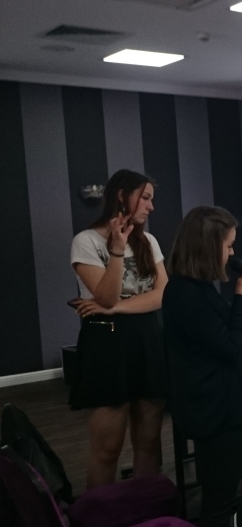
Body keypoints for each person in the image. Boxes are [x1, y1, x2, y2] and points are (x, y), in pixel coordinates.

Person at [162, 206, 242, 527]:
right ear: (207, 247)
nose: (231, 253)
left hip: (235, 410)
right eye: (227, 246)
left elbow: (223, 334)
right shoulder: (184, 293)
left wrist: (241, 298)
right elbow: (229, 347)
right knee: (220, 504)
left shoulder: (199, 289)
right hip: (217, 413)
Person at [69, 169, 167, 489]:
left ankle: (145, 508)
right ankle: (101, 514)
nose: (151, 206)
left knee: (149, 441)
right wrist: (117, 249)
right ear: (123, 196)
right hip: (107, 343)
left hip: (147, 338)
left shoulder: (149, 241)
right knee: (108, 448)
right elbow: (107, 294)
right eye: (146, 197)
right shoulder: (86, 241)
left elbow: (162, 295)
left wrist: (115, 308)